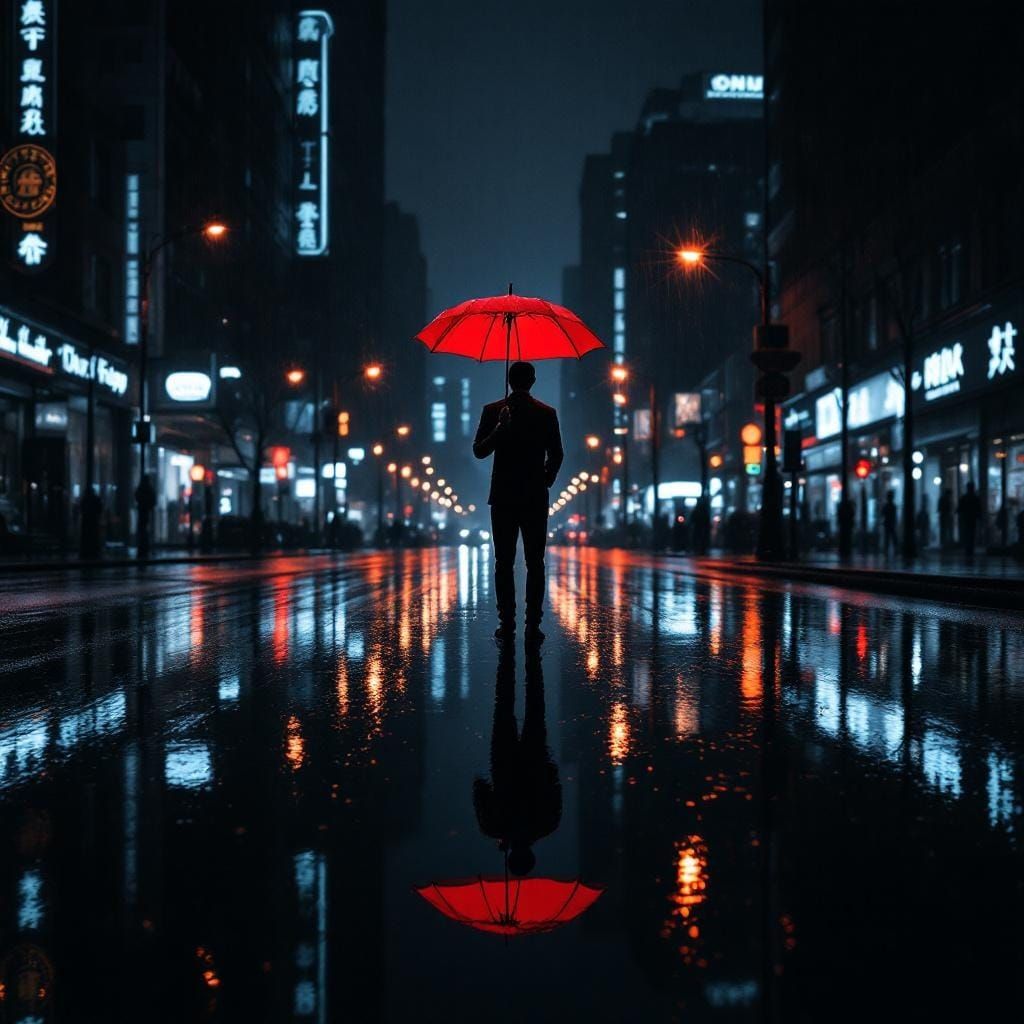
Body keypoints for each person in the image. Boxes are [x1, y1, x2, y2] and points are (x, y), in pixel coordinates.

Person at [473, 360, 563, 644]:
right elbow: (557, 454)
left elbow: (479, 450)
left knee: (504, 562)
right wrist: (545, 479)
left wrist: (499, 431)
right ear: (533, 380)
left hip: (504, 497)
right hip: (534, 497)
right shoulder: (545, 413)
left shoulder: (493, 411)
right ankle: (532, 624)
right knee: (535, 562)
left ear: (511, 380)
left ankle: (507, 621)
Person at [473, 646, 561, 877]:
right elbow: (479, 788)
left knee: (535, 704)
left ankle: (527, 640)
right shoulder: (493, 826)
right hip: (504, 762)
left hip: (536, 760)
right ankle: (509, 648)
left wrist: (547, 770)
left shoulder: (548, 824)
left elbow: (555, 784)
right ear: (511, 854)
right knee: (503, 703)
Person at [957, 481, 982, 558]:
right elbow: (979, 509)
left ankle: (968, 548)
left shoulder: (964, 498)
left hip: (966, 518)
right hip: (972, 519)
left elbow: (959, 509)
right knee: (971, 534)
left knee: (967, 534)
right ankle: (970, 549)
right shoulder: (975, 498)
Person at [134, 474, 156, 559]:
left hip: (143, 511)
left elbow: (136, 495)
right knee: (145, 530)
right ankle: (145, 548)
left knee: (142, 529)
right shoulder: (149, 489)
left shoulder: (142, 488)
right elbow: (153, 500)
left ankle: (142, 548)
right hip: (146, 511)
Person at [882, 489, 898, 557]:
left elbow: (882, 514)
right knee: (892, 538)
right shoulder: (893, 506)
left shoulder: (886, 506)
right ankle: (895, 551)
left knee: (888, 539)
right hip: (891, 524)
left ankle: (887, 552)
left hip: (888, 524)